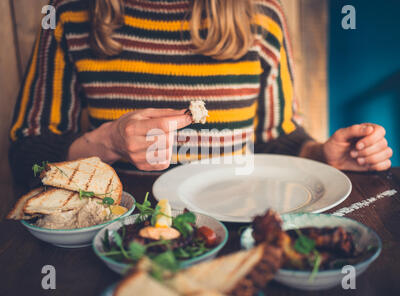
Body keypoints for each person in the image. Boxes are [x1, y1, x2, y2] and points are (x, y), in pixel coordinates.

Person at [9, 0, 392, 189]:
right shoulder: (68, 14)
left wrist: (321, 156)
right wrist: (107, 141)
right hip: (115, 235)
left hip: (238, 224)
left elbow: (277, 141)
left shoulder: (263, 17)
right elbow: (26, 155)